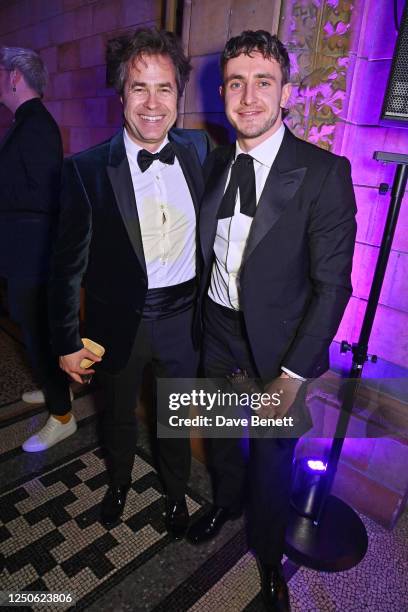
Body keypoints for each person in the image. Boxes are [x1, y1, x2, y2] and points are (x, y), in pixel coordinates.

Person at [187, 30, 357, 611]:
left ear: (286, 93)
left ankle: (265, 556)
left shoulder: (323, 173)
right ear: (224, 92)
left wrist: (291, 375)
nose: (249, 96)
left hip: (277, 351)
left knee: (270, 458)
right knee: (221, 441)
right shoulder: (214, 162)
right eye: (236, 82)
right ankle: (224, 503)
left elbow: (334, 287)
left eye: (264, 82)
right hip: (216, 332)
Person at [48, 28, 210, 538]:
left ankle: (177, 491)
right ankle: (118, 481)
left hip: (185, 320)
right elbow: (65, 268)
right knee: (117, 415)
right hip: (117, 323)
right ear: (121, 95)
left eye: (164, 88)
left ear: (178, 95)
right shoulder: (85, 170)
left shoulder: (201, 151)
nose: (152, 102)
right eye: (139, 87)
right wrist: (66, 342)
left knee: (176, 419)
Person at [0, 46, 74, 452]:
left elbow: (44, 195)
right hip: (23, 251)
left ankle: (62, 416)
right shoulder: (25, 122)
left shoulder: (36, 124)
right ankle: (52, 389)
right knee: (34, 332)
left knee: (39, 335)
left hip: (33, 253)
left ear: (15, 76)